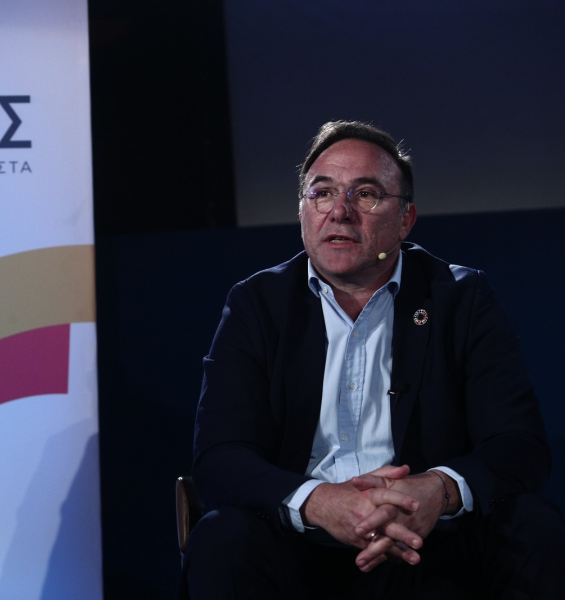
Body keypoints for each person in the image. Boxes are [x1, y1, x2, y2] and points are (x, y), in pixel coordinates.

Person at [181, 121, 563, 598]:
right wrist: (319, 501)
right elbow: (220, 457)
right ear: (302, 211)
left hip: (430, 540)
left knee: (533, 526)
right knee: (223, 538)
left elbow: (518, 444)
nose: (339, 212)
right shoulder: (257, 304)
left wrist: (437, 490)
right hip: (299, 543)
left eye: (365, 194)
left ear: (405, 219)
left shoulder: (460, 298)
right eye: (322, 193)